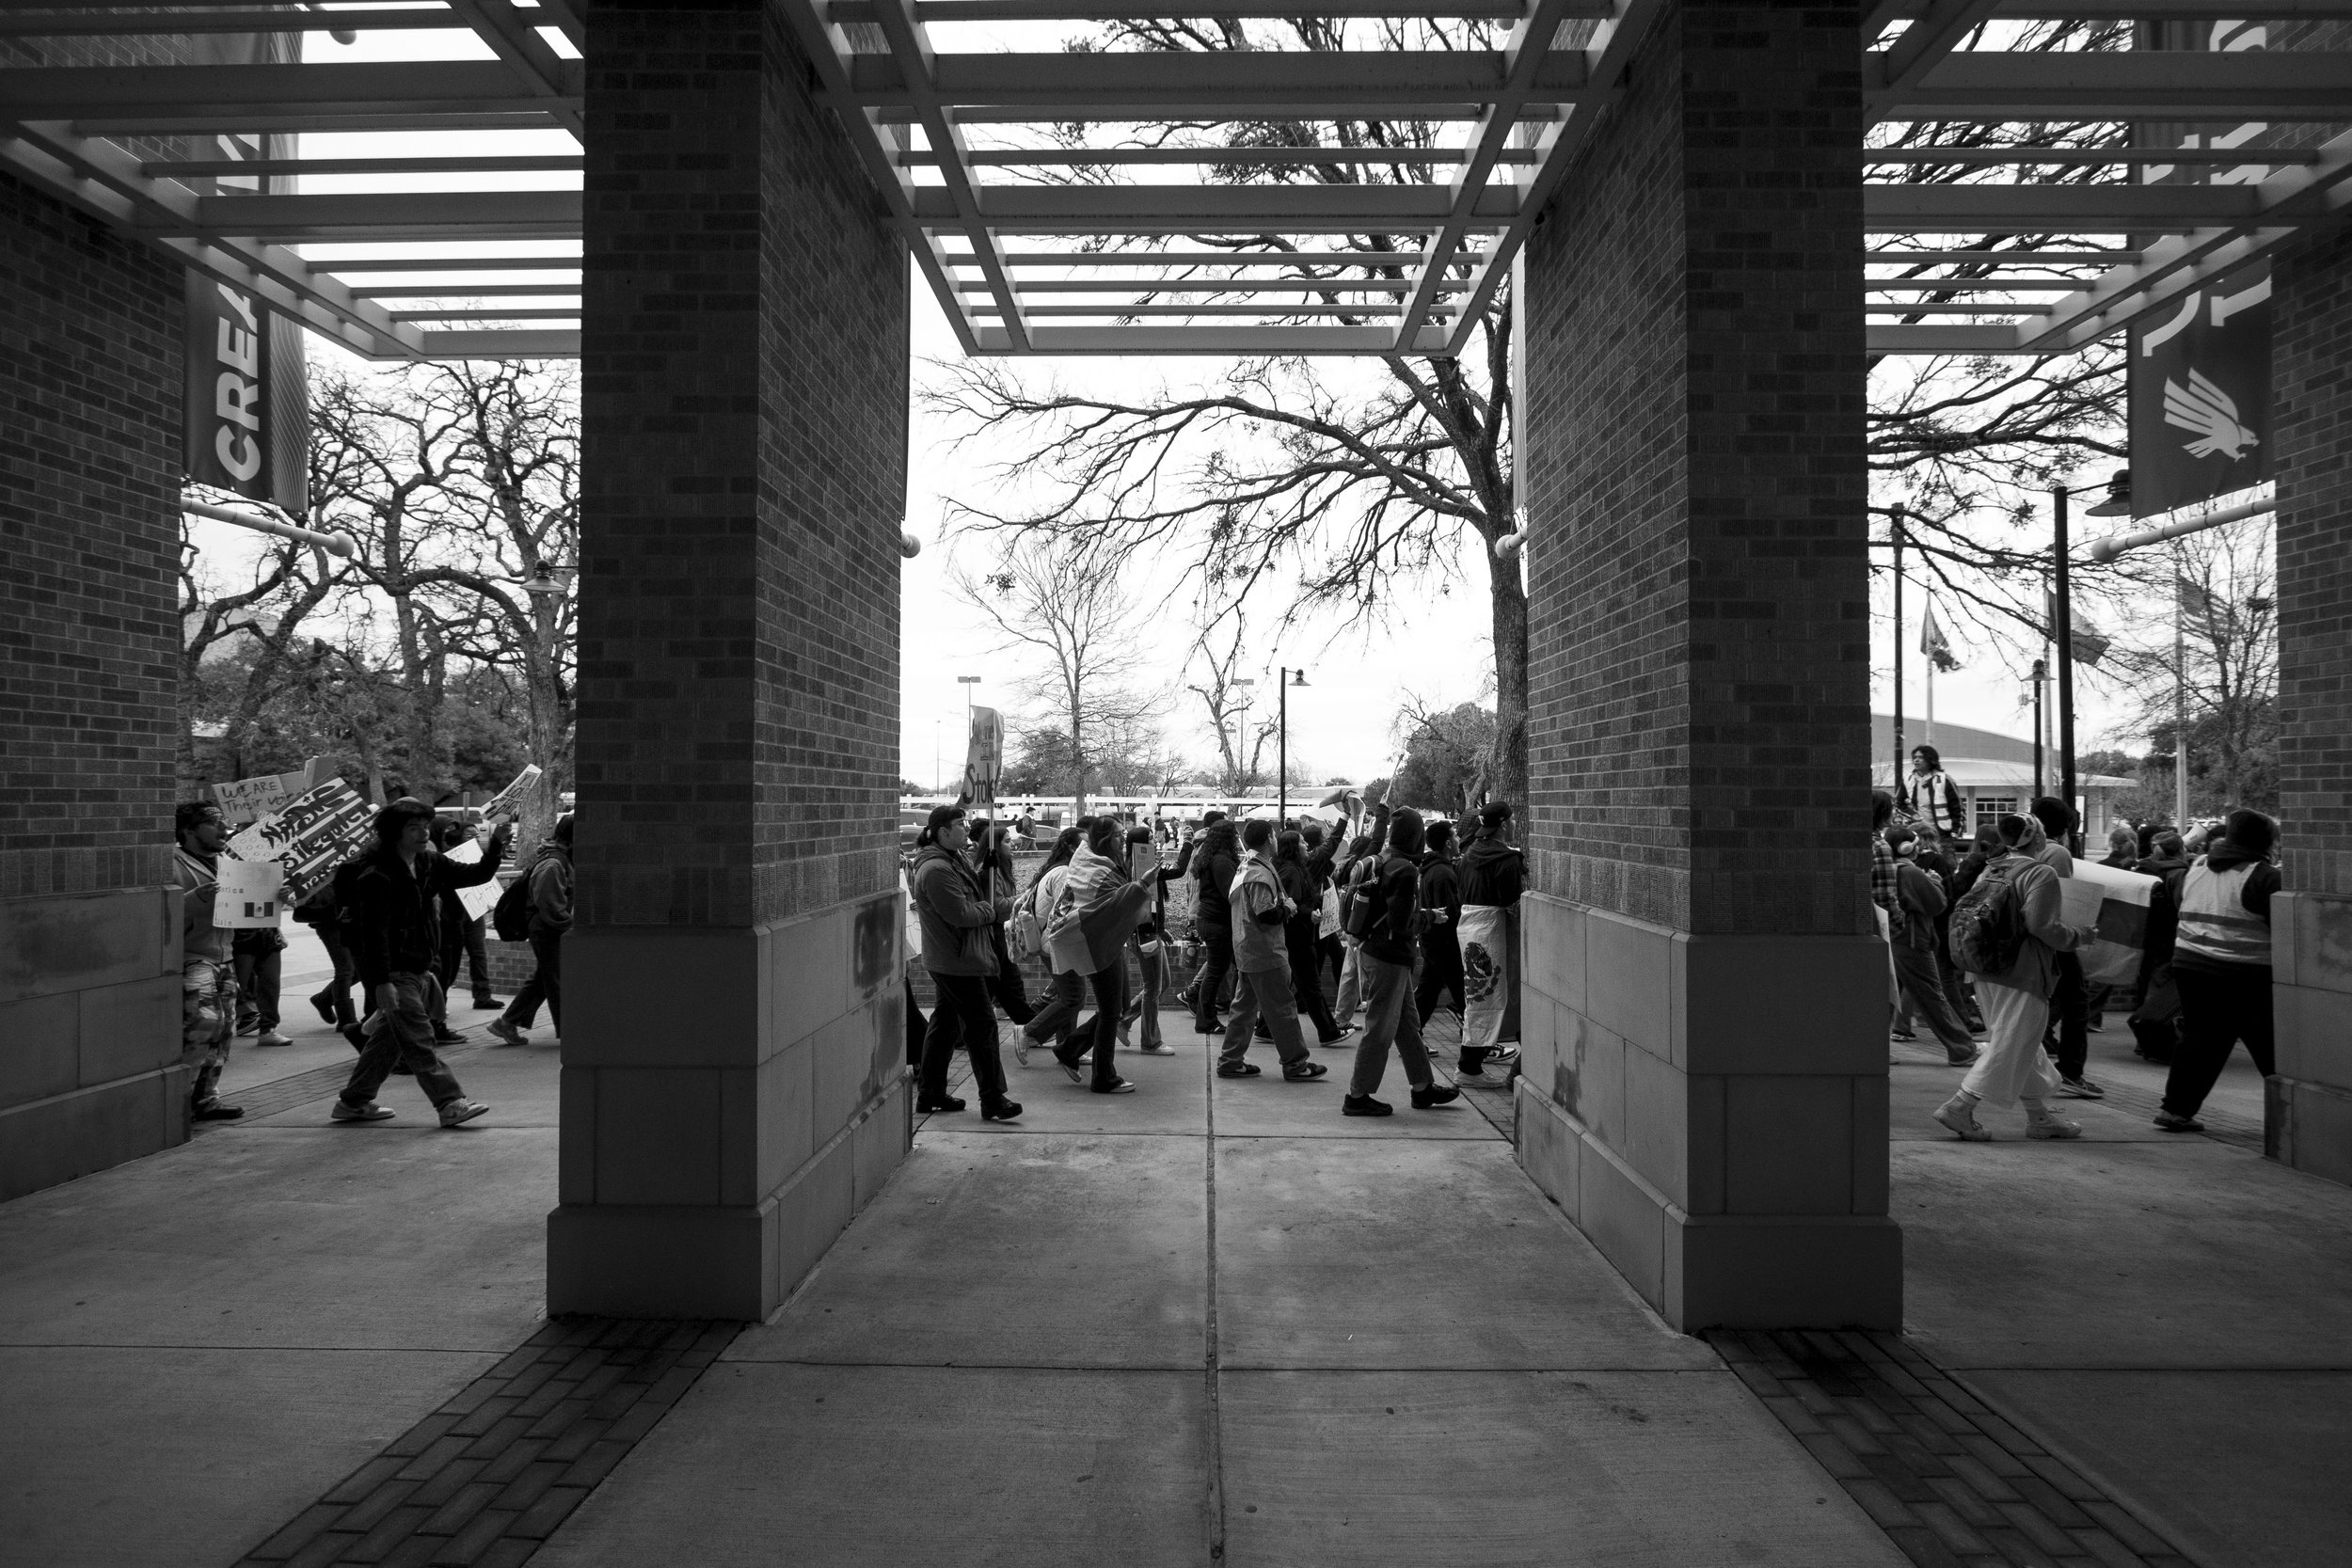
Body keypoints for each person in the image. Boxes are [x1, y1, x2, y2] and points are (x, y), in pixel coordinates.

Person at [1933, 814, 2098, 1142]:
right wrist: (2080, 936)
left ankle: (2039, 1118)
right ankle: (1960, 1106)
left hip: (1985, 968)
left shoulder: (1991, 868)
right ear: (2036, 837)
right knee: (2011, 1043)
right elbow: (2042, 926)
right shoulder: (2041, 872)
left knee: (2023, 1042)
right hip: (2023, 971)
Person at [331, 798, 492, 1128]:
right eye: (413, 828)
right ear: (394, 833)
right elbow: (371, 936)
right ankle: (449, 1102)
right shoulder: (375, 876)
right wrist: (381, 982)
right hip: (395, 971)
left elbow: (477, 874)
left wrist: (497, 842)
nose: (422, 833)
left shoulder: (428, 862)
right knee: (419, 1039)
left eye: (424, 826)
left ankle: (354, 1101)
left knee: (388, 1042)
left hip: (418, 966)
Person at [2154, 809, 2282, 1132]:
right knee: (2273, 1045)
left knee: (2200, 1039)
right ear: (2265, 841)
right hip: (2244, 973)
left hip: (2190, 965)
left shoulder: (2196, 867)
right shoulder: (2265, 877)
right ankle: (2295, 1118)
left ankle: (2175, 1111)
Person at [1343, 808, 1460, 1117]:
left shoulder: (1382, 860)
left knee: (1407, 1024)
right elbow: (1402, 924)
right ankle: (1357, 1095)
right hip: (1390, 957)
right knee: (1381, 1027)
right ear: (1416, 835)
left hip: (1374, 949)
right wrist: (1430, 916)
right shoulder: (1406, 871)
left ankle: (1422, 1087)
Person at [909, 804, 1023, 1120]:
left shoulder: (951, 858)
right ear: (943, 831)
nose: (966, 828)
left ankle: (930, 1092)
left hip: (954, 957)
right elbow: (961, 914)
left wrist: (986, 871)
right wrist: (989, 910)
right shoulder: (936, 870)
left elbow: (969, 894)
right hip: (956, 960)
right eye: (960, 824)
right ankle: (993, 1099)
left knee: (945, 1025)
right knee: (983, 1026)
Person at [1216, 819, 1329, 1083]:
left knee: (1243, 1009)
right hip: (1265, 953)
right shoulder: (1259, 872)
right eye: (1274, 836)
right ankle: (1296, 1064)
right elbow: (1266, 913)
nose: (1277, 839)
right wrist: (1288, 908)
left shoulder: (1248, 867)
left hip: (1248, 950)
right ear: (1269, 838)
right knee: (1283, 1009)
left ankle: (1231, 1061)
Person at [1041, 817, 1149, 1093]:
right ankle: (1103, 1077)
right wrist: (1141, 886)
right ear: (1103, 840)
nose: (1122, 839)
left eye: (1123, 834)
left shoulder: (1091, 862)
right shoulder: (1098, 870)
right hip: (1098, 945)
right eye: (1117, 835)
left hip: (1106, 942)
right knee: (1111, 1012)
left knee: (1115, 1009)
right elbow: (1113, 905)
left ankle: (1070, 1049)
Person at [173, 802, 245, 1122]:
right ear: (189, 830)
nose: (223, 828)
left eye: (223, 822)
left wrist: (274, 896)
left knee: (225, 1029)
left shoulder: (227, 862)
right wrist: (192, 901)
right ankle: (177, 1102)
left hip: (224, 956)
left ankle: (206, 1099)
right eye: (214, 822)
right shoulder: (172, 863)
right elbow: (156, 910)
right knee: (204, 1024)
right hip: (192, 958)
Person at [2028, 796, 2104, 1100]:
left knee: (2043, 1000)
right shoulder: (2056, 852)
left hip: (2027, 938)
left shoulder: (2019, 848)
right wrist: (2076, 934)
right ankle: (2071, 1071)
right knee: (2077, 1000)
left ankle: (2036, 1066)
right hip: (2052, 936)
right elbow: (2061, 899)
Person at [1884, 826, 1979, 1066]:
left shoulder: (1887, 870)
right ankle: (1962, 1049)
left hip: (1894, 938)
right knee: (1932, 995)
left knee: (1886, 997)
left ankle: (1872, 1049)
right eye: (1915, 845)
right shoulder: (1911, 873)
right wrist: (1934, 882)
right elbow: (1937, 904)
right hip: (1914, 940)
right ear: (1907, 848)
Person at [487, 816, 572, 1047]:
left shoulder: (562, 860)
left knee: (544, 979)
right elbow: (550, 906)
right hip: (547, 930)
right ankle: (571, 1033)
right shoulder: (553, 864)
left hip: (550, 928)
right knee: (557, 980)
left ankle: (506, 1022)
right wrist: (571, 926)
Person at [1454, 801, 1525, 1078]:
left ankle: (1470, 1064)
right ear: (1504, 824)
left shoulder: (1468, 855)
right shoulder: (1508, 860)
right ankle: (1468, 1066)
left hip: (1468, 928)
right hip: (1496, 931)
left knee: (1478, 995)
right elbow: (1512, 898)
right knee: (1499, 993)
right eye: (1513, 820)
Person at [427, 818, 511, 1044]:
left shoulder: (436, 861)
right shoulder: (391, 865)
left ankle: (435, 1025)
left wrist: (496, 842)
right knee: (433, 978)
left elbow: (479, 873)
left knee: (446, 975)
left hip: (451, 925)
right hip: (427, 932)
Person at [1015, 827, 1087, 1066]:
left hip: (1053, 943)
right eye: (1084, 845)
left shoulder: (1056, 869)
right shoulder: (1065, 873)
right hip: (1059, 943)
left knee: (1070, 996)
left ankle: (1066, 1046)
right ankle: (1029, 1031)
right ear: (1070, 848)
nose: (1088, 850)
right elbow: (1064, 913)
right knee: (1074, 998)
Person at [1273, 830, 1348, 1047]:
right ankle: (1329, 1032)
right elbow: (1291, 903)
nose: (1307, 846)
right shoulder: (1292, 872)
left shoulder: (1295, 869)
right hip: (1298, 937)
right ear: (1294, 848)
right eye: (1303, 842)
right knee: (1311, 986)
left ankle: (1265, 1029)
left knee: (1300, 985)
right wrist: (1310, 913)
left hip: (1297, 936)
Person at [1189, 812, 1242, 1035]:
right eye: (1235, 834)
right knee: (1215, 973)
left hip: (1210, 920)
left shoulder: (1214, 857)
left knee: (1219, 970)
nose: (1238, 837)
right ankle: (1206, 1020)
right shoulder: (1221, 860)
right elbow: (1231, 892)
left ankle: (1211, 1017)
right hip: (1217, 923)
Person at [1414, 819, 1467, 1030]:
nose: (1458, 839)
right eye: (1454, 835)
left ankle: (1411, 1035)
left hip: (1432, 942)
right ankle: (1480, 1046)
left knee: (1428, 991)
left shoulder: (1431, 869)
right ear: (1447, 843)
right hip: (1445, 944)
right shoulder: (1443, 873)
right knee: (1463, 994)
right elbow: (1449, 913)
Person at [231, 924, 293, 1049]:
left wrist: (278, 931)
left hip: (266, 934)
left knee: (271, 983)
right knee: (234, 988)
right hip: (241, 936)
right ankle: (218, 1033)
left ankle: (268, 1029)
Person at [1901, 745, 1967, 840]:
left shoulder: (1945, 780)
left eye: (1921, 757)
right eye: (1915, 757)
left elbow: (1957, 808)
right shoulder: (1908, 780)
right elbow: (1899, 804)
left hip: (1943, 834)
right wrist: (1912, 815)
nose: (1916, 760)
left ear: (1930, 760)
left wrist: (1956, 831)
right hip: (1916, 833)